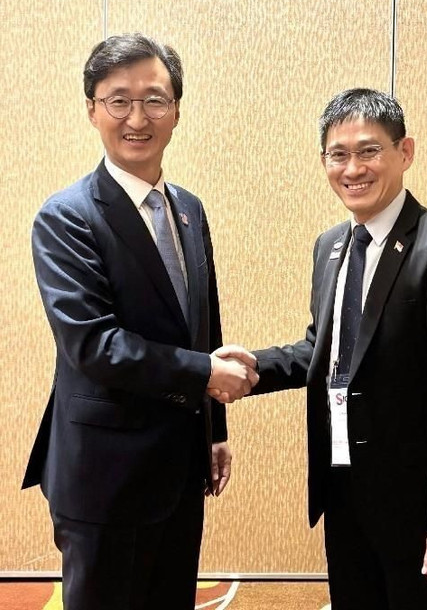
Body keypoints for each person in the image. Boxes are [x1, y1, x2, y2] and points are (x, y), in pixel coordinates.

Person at [21, 33, 258, 610]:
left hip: (179, 465)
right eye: (118, 100)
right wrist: (205, 374)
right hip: (105, 475)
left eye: (154, 100)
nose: (137, 118)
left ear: (176, 110)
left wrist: (214, 430)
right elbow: (94, 345)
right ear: (92, 109)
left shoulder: (188, 208)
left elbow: (202, 324)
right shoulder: (67, 217)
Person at [234, 88, 427, 609]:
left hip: (416, 504)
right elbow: (326, 350)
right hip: (343, 487)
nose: (353, 168)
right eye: (338, 154)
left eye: (369, 150)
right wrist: (253, 367)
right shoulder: (331, 246)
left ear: (405, 152)